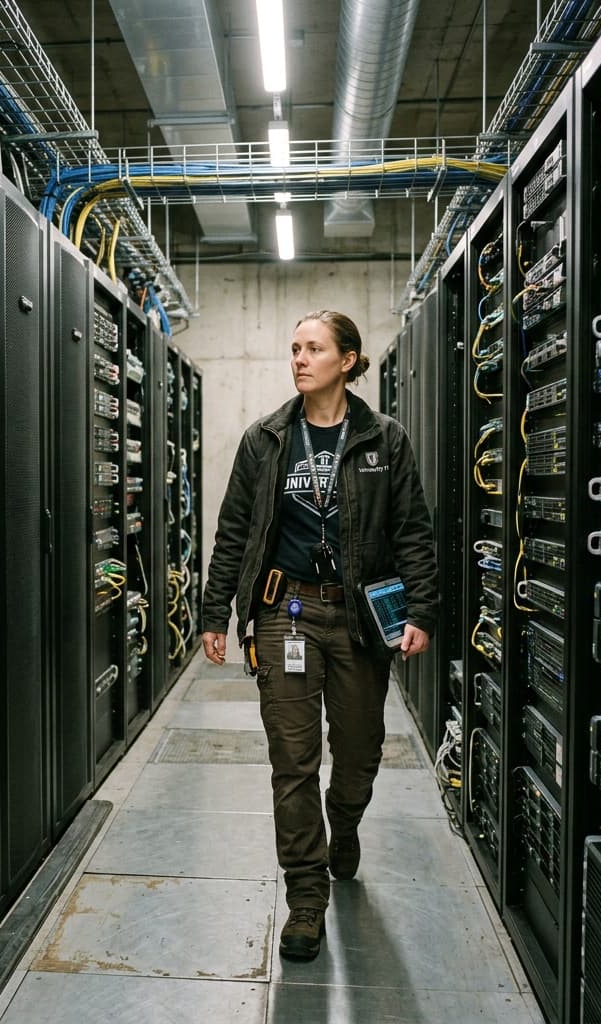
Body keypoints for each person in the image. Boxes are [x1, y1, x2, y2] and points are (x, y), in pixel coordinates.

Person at [200, 310, 438, 962]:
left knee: (359, 750)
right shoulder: (266, 439)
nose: (300, 359)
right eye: (295, 348)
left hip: (359, 619)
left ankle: (348, 820)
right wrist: (213, 612)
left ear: (349, 359)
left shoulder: (384, 440)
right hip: (285, 613)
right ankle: (306, 896)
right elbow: (234, 531)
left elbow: (413, 531)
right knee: (292, 763)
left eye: (314, 349)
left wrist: (420, 611)